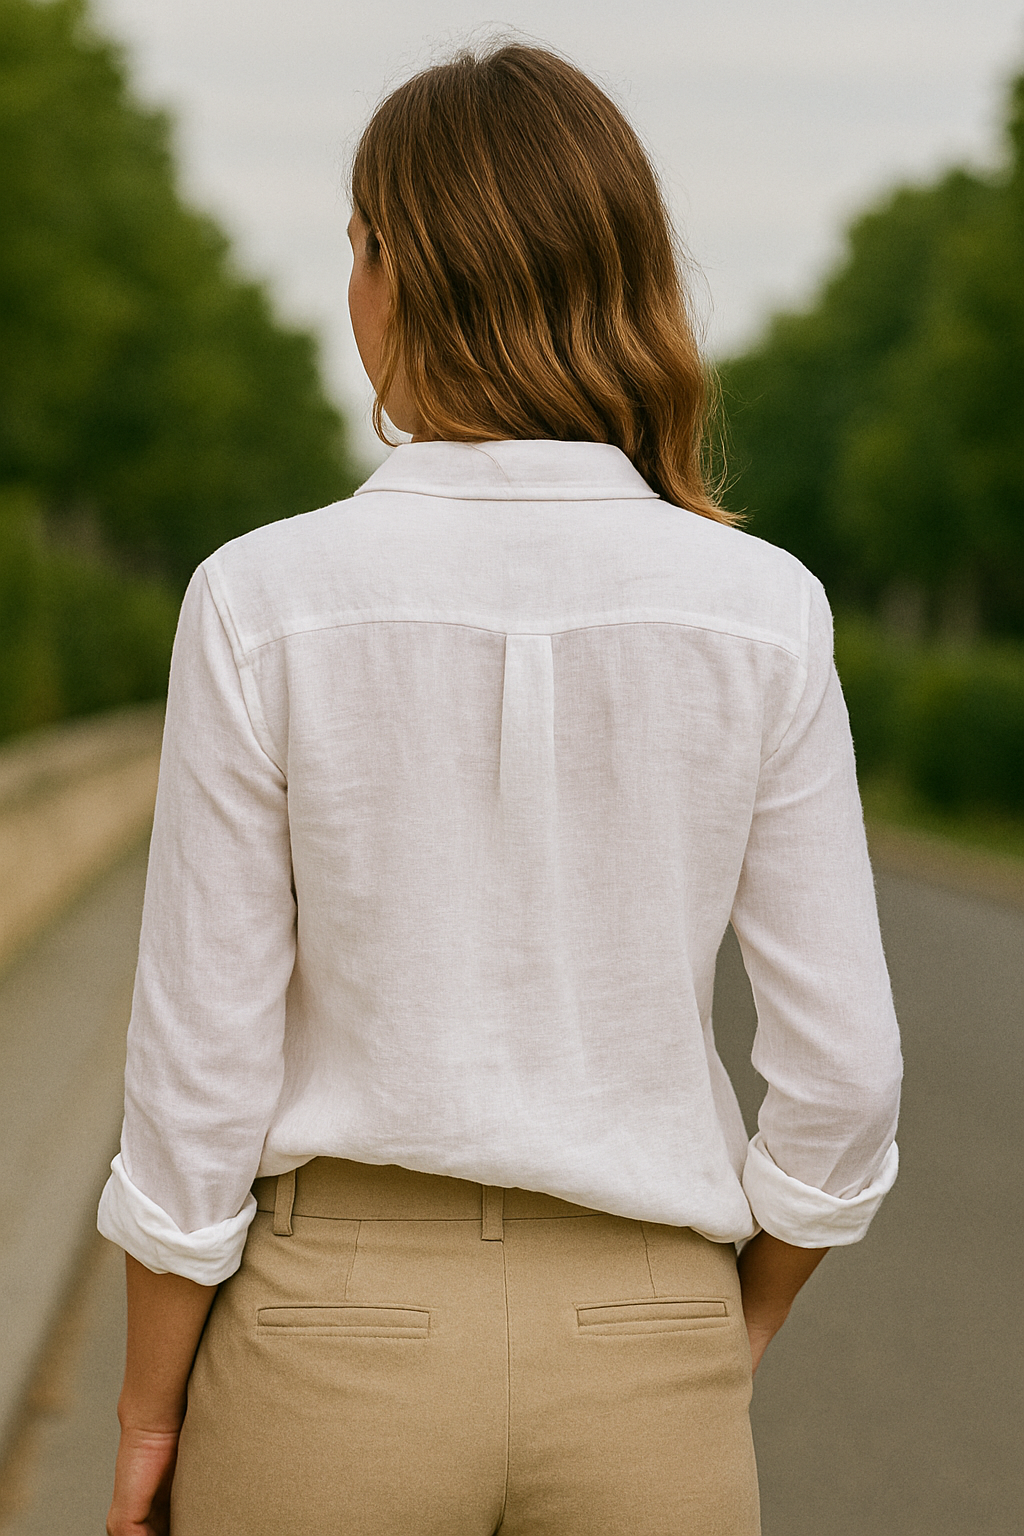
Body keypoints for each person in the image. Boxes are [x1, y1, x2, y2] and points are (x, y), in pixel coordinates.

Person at [101, 43, 902, 1536]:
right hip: (647, 1340)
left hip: (331, 1343)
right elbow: (846, 1076)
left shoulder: (260, 600)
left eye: (359, 247)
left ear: (394, 274)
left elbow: (196, 1080)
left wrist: (152, 1414)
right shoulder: (763, 607)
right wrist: (721, 1334)